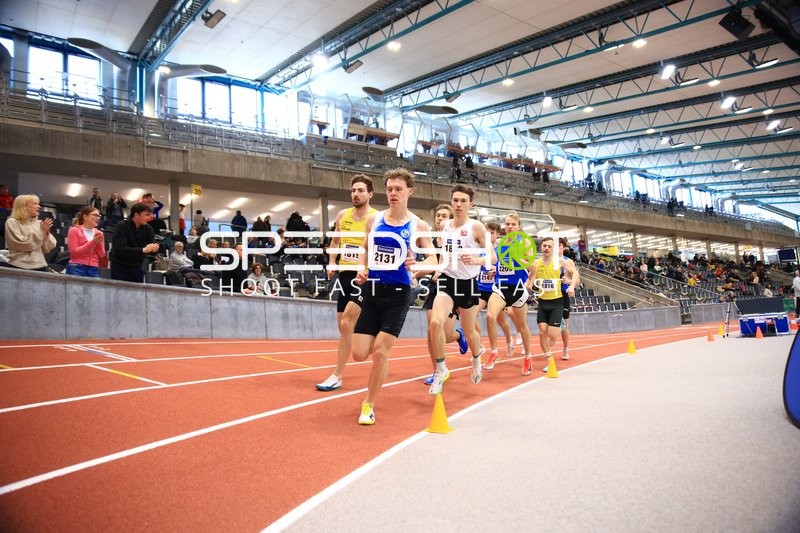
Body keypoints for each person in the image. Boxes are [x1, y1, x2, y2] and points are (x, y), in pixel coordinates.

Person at [351, 168, 436, 425]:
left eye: (398, 189)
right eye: (389, 189)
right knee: (358, 353)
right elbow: (365, 250)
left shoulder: (418, 225)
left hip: (399, 295)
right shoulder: (374, 221)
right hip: (373, 291)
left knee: (380, 351)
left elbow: (433, 259)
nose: (393, 193)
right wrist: (362, 268)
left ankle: (368, 404)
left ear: (410, 191)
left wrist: (418, 265)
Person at [427, 184, 491, 395]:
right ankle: (441, 369)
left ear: (471, 204)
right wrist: (440, 268)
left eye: (463, 201)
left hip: (468, 284)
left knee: (471, 330)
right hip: (447, 280)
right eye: (455, 200)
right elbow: (444, 251)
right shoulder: (444, 226)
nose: (458, 204)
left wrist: (475, 259)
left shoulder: (477, 228)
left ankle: (476, 360)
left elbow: (493, 257)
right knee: (435, 323)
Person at [315, 174, 376, 392]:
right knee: (343, 326)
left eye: (360, 190)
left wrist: (369, 269)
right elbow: (334, 241)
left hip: (365, 275)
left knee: (347, 323)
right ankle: (370, 333)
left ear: (370, 194)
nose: (356, 194)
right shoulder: (343, 215)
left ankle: (336, 375)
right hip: (345, 274)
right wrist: (331, 262)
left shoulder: (377, 218)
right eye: (353, 190)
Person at [418, 203, 469, 386]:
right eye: (438, 215)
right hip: (435, 287)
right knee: (432, 329)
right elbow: (430, 263)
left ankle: (458, 335)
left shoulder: (458, 240)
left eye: (444, 216)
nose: (439, 218)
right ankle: (438, 370)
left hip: (452, 286)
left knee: (445, 334)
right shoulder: (432, 242)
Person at [484, 213, 534, 373]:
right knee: (490, 316)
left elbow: (533, 268)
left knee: (522, 325)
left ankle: (528, 357)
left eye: (513, 224)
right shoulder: (499, 244)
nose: (510, 226)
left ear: (519, 227)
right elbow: (500, 265)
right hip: (501, 287)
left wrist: (530, 282)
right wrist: (494, 270)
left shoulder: (524, 242)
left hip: (518, 288)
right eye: (507, 224)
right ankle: (493, 352)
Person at [531, 236, 578, 374]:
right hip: (542, 302)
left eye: (549, 246)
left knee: (552, 333)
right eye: (544, 246)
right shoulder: (536, 262)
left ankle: (558, 326)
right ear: (541, 247)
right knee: (541, 331)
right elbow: (530, 274)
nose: (546, 248)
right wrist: (530, 283)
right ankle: (549, 358)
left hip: (557, 302)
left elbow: (575, 273)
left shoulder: (559, 262)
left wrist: (571, 286)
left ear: (553, 249)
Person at [476, 221, 514, 368]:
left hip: (496, 290)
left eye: (491, 233)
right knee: (471, 315)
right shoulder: (479, 250)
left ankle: (509, 339)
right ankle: (482, 346)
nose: (488, 235)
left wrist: (495, 270)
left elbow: (509, 270)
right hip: (480, 290)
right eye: (486, 232)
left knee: (500, 320)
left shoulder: (501, 250)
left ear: (497, 235)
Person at [545, 237, 580, 368]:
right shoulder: (549, 260)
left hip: (563, 294)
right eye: (554, 246)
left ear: (563, 247)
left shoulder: (568, 261)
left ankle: (565, 348)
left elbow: (577, 280)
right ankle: (553, 336)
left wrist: (569, 282)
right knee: (547, 322)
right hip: (551, 294)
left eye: (559, 246)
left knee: (565, 325)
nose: (557, 248)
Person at [3, 194, 56, 271]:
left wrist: (46, 234)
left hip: (40, 266)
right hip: (18, 266)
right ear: (24, 206)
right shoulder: (12, 222)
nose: (39, 206)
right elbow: (22, 245)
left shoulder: (39, 223)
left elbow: (48, 247)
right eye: (35, 204)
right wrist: (41, 232)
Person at [109, 202, 159, 282]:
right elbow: (120, 249)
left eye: (150, 215)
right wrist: (143, 250)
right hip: (120, 265)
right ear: (136, 215)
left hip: (137, 266)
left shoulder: (148, 229)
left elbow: (151, 249)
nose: (149, 217)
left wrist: (154, 249)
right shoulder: (122, 226)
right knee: (120, 292)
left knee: (138, 292)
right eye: (146, 215)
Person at [65, 206, 106, 278]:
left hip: (94, 268)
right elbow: (74, 252)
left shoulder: (99, 233)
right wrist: (93, 242)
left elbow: (102, 255)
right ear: (85, 216)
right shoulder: (74, 230)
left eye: (99, 216)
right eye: (95, 215)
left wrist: (98, 243)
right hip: (76, 267)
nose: (98, 218)